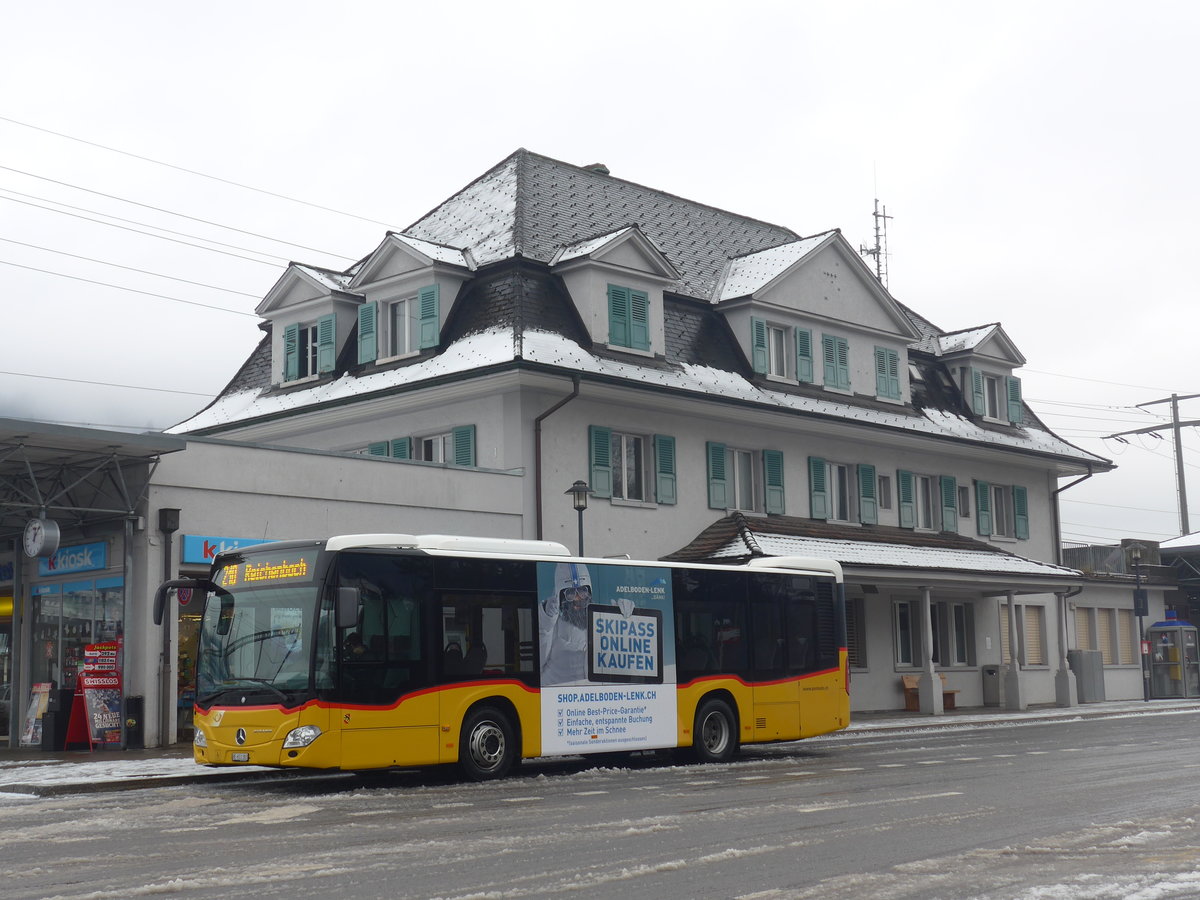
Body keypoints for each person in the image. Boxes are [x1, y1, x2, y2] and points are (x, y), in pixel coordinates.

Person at [539, 563, 633, 685]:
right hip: (555, 692)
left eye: (582, 591)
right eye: (570, 593)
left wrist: (626, 620)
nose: (578, 598)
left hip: (592, 694)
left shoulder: (601, 623)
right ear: (561, 596)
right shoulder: (552, 624)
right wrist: (546, 619)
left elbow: (624, 658)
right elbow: (538, 659)